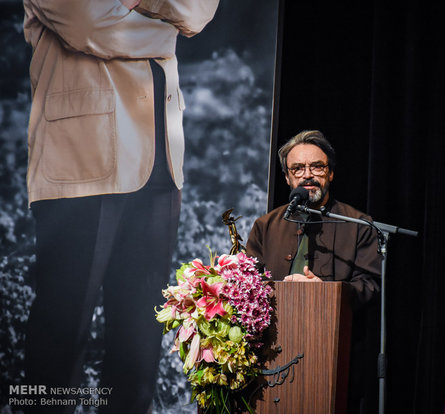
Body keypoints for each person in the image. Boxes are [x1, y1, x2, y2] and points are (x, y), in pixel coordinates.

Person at [22, 1, 219, 412]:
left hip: (161, 164)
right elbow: (89, 24)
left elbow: (199, 10)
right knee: (62, 337)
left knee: (138, 346)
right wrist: (166, 32)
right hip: (81, 164)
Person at [245, 130, 381, 413]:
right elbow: (247, 284)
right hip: (271, 355)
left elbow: (370, 284)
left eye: (317, 167)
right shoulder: (266, 226)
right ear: (287, 177)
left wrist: (328, 294)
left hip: (332, 354)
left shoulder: (358, 224)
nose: (308, 175)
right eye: (297, 169)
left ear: (330, 173)